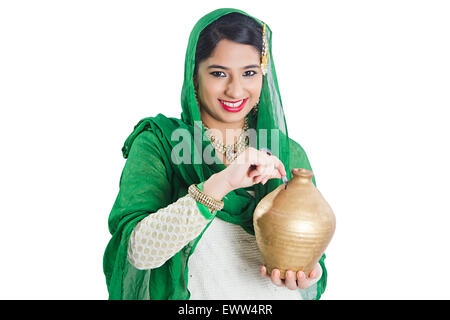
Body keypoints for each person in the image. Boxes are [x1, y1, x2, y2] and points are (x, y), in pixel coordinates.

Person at [103, 8, 328, 300]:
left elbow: (314, 257)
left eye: (249, 73)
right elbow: (137, 252)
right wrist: (222, 183)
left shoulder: (286, 151)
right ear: (194, 76)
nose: (235, 90)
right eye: (219, 73)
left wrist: (308, 274)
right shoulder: (159, 144)